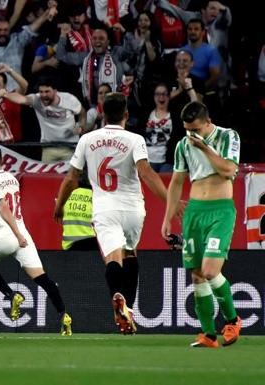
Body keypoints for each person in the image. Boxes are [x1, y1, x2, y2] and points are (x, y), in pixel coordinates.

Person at [53, 93, 171, 335]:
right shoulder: (135, 139)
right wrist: (170, 201)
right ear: (126, 115)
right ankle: (128, 307)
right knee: (130, 252)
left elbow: (71, 179)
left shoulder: (87, 139)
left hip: (105, 208)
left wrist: (60, 206)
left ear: (102, 115)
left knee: (113, 259)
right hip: (133, 208)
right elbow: (146, 172)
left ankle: (118, 299)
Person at [161, 101, 242, 348]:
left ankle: (233, 320)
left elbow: (228, 170)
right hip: (195, 212)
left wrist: (205, 148)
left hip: (220, 211)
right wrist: (168, 216)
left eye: (195, 129)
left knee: (209, 270)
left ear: (208, 122)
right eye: (187, 129)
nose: (191, 134)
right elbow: (176, 182)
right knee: (197, 275)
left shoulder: (228, 136)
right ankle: (208, 334)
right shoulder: (183, 145)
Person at [0, 144, 72, 335]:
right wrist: (11, 232)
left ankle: (11, 295)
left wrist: (13, 234)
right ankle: (64, 315)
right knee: (43, 278)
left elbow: (3, 208)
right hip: (22, 233)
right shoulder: (12, 179)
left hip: (6, 235)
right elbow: (9, 209)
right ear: (2, 160)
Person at [0, 76, 85, 161]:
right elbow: (22, 99)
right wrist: (6, 94)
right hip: (48, 149)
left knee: (71, 175)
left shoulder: (69, 99)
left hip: (70, 147)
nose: (43, 95)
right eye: (41, 92)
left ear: (55, 91)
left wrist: (80, 126)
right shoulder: (37, 99)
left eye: (47, 91)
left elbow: (82, 113)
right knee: (46, 175)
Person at [60, 172, 96, 251]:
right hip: (92, 247)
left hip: (69, 249)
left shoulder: (67, 195)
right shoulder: (96, 197)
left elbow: (61, 219)